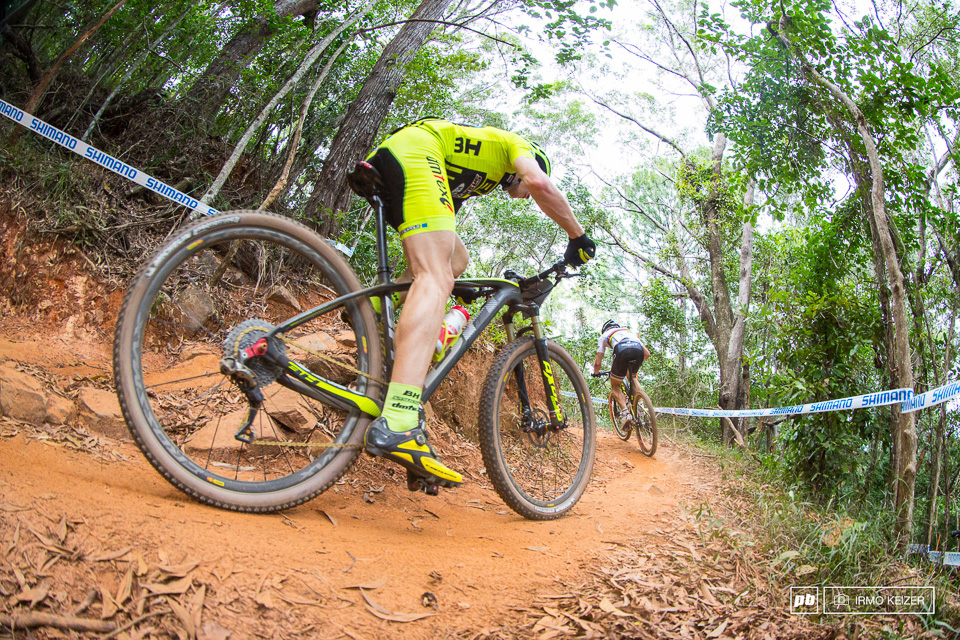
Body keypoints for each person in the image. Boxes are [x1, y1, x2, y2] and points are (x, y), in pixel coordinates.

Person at [353, 117, 596, 491]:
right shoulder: (517, 146)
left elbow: (439, 230)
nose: (528, 196)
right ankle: (399, 419)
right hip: (417, 151)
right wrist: (577, 236)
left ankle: (365, 313)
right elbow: (539, 182)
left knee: (453, 262)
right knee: (435, 277)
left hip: (398, 157)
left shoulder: (474, 177)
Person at [592, 320, 650, 425]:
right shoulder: (628, 332)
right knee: (632, 377)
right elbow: (647, 354)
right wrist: (634, 365)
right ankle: (641, 406)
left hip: (621, 350)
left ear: (606, 329)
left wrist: (596, 372)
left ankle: (625, 414)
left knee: (615, 386)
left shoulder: (604, 336)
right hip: (637, 350)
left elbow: (597, 363)